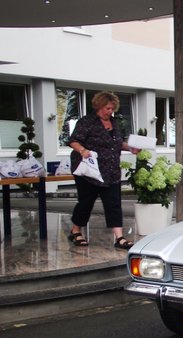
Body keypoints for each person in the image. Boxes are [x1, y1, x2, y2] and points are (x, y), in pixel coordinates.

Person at [68, 91, 140, 249]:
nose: (110, 111)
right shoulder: (87, 122)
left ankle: (119, 237)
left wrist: (130, 148)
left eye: (113, 108)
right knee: (86, 203)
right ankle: (76, 231)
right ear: (99, 106)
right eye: (108, 108)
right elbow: (73, 140)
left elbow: (117, 143)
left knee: (114, 203)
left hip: (111, 171)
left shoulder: (114, 123)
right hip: (90, 171)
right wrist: (82, 150)